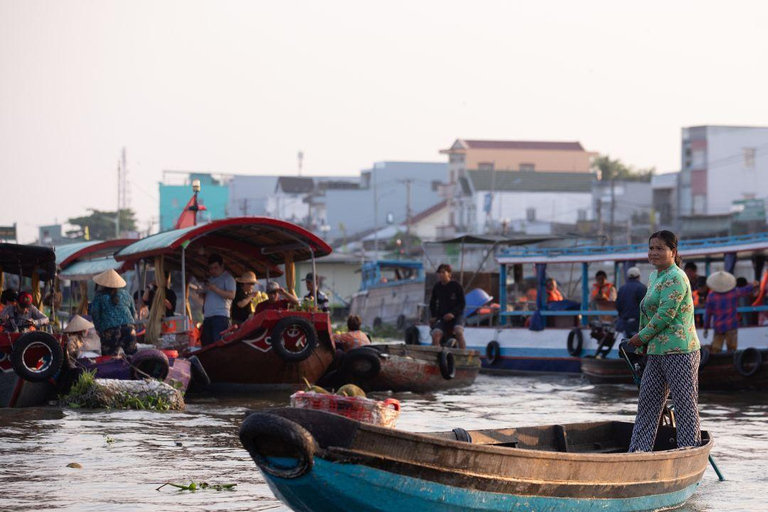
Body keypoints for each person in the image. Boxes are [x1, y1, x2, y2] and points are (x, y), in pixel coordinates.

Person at [627, 230, 700, 452]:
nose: (654, 252)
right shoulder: (654, 276)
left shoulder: (676, 277)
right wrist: (643, 344)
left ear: (673, 251)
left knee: (684, 405)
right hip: (657, 351)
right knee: (648, 403)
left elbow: (665, 315)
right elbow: (647, 313)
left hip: (679, 350)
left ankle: (688, 451)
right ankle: (638, 451)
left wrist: (640, 338)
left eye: (660, 248)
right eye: (651, 248)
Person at [702, 271, 755, 353]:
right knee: (732, 350)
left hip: (718, 327)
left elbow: (708, 314)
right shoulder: (733, 292)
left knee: (716, 350)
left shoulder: (711, 296)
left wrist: (706, 327)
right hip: (731, 326)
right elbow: (745, 290)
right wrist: (753, 285)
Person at [90, 269, 137, 356]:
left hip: (110, 330)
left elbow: (95, 313)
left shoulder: (99, 297)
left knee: (109, 360)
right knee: (133, 357)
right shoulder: (126, 294)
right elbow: (133, 312)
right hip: (129, 328)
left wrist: (98, 328)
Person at [198, 254, 236, 346]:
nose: (213, 271)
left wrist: (216, 289)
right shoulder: (210, 279)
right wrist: (202, 293)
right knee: (206, 343)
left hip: (220, 316)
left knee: (218, 343)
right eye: (211, 269)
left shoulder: (228, 278)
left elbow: (232, 295)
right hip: (208, 316)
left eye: (215, 268)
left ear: (222, 266)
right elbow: (208, 296)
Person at [429, 264, 466, 349]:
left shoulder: (456, 286)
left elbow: (462, 304)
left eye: (443, 272)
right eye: (439, 273)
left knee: (458, 331)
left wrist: (453, 314)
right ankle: (437, 357)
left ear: (449, 274)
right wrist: (434, 316)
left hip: (457, 316)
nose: (440, 275)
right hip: (443, 317)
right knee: (435, 334)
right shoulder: (437, 287)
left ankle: (463, 354)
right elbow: (432, 303)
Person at [615, 267, 647, 337]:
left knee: (627, 344)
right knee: (637, 344)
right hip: (637, 321)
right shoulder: (642, 288)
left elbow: (618, 305)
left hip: (625, 321)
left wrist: (622, 315)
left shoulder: (622, 289)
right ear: (638, 276)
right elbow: (645, 306)